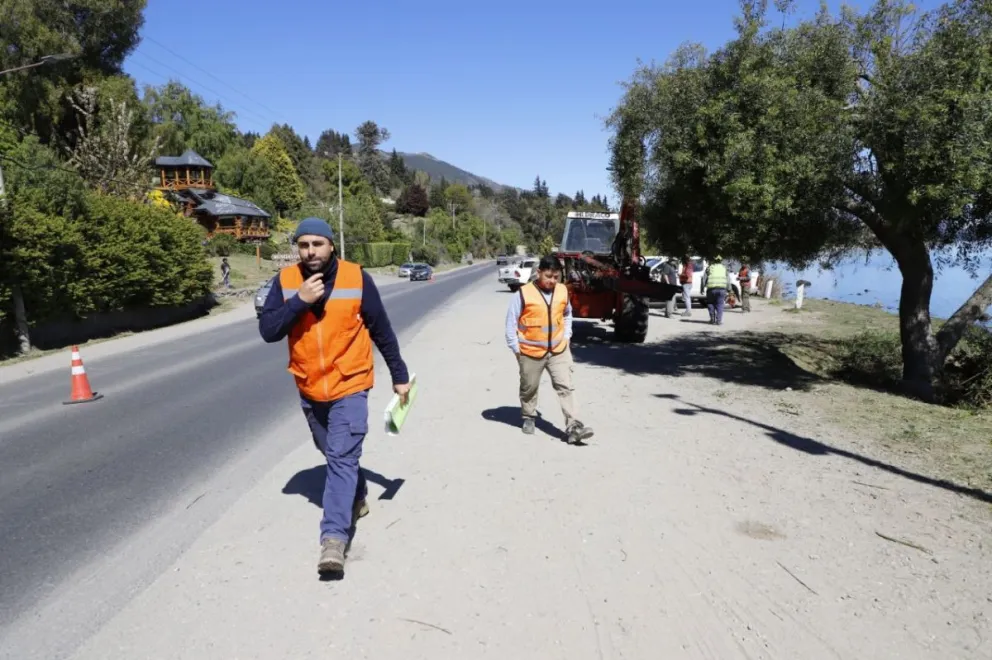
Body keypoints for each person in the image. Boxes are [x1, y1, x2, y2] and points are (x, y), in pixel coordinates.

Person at [258, 217, 411, 574]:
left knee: (341, 457)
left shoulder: (356, 278)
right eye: (303, 245)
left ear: (331, 245)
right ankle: (356, 494)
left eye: (317, 244)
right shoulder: (285, 282)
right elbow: (268, 330)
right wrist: (299, 301)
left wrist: (399, 375)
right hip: (310, 387)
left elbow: (381, 329)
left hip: (351, 384)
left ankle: (333, 540)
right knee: (331, 451)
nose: (310, 251)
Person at [505, 255, 594, 444]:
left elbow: (567, 314)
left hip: (558, 350)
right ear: (539, 273)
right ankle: (528, 416)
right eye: (548, 276)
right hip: (530, 352)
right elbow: (510, 324)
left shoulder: (562, 291)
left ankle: (574, 426)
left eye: (556, 277)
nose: (552, 281)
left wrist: (566, 336)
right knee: (529, 388)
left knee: (565, 386)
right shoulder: (523, 294)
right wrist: (516, 350)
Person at [702, 255, 730, 325]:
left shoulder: (709, 268)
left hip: (711, 289)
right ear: (721, 261)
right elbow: (728, 279)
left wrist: (702, 288)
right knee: (720, 304)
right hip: (722, 289)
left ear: (713, 260)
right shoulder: (724, 268)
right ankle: (719, 321)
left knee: (710, 303)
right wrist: (729, 289)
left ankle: (712, 319)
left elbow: (704, 279)